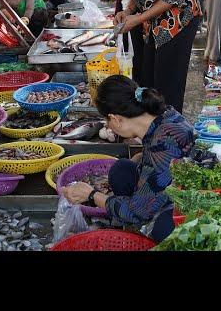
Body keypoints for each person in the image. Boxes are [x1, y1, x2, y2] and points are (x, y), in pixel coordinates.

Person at [61, 75, 194, 243]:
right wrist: (142, 158)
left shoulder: (162, 146)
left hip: (190, 205)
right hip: (172, 185)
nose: (107, 125)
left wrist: (91, 194)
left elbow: (137, 211)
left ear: (116, 118)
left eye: (106, 120)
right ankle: (137, 226)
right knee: (122, 169)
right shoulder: (165, 115)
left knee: (164, 228)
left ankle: (152, 234)